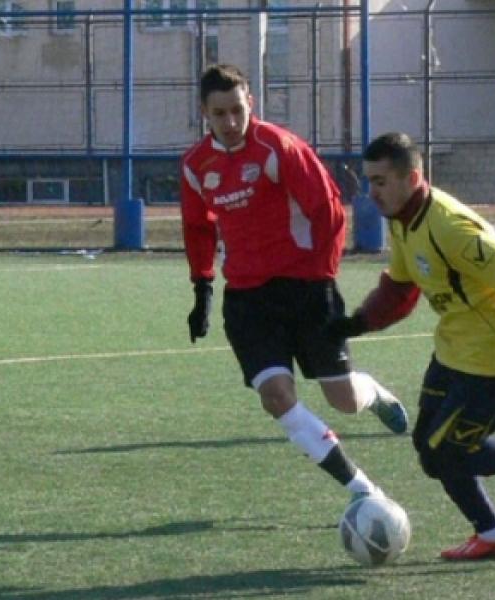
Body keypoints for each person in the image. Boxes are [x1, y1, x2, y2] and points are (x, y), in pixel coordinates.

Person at [332, 132, 495, 561]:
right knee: (429, 451)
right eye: (369, 180)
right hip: (454, 349)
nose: (371, 192)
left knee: (447, 454)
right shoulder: (403, 218)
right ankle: (493, 535)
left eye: (380, 181)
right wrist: (355, 323)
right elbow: (400, 289)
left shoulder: (450, 227)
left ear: (412, 178)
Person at [181, 64, 408, 506]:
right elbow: (198, 227)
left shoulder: (279, 147)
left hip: (306, 288)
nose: (230, 122)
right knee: (275, 396)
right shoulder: (196, 165)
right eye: (219, 113)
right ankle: (362, 490)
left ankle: (374, 393)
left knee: (343, 398)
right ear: (204, 113)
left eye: (237, 110)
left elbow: (328, 211)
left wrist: (323, 274)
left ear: (251, 104)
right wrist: (202, 288)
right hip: (247, 300)